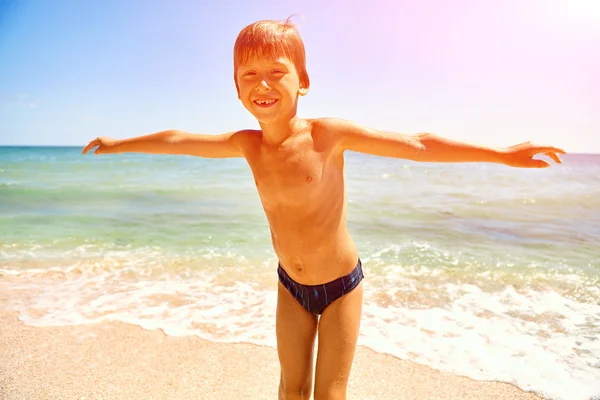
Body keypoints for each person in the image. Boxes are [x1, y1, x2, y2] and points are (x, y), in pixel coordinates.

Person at [83, 17, 565, 400]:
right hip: (290, 286)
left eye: (277, 71)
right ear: (235, 87)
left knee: (330, 393)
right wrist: (118, 142)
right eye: (249, 74)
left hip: (340, 287)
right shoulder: (248, 145)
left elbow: (418, 144)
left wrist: (501, 154)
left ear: (303, 80)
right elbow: (178, 140)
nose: (263, 83)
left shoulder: (326, 135)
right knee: (291, 390)